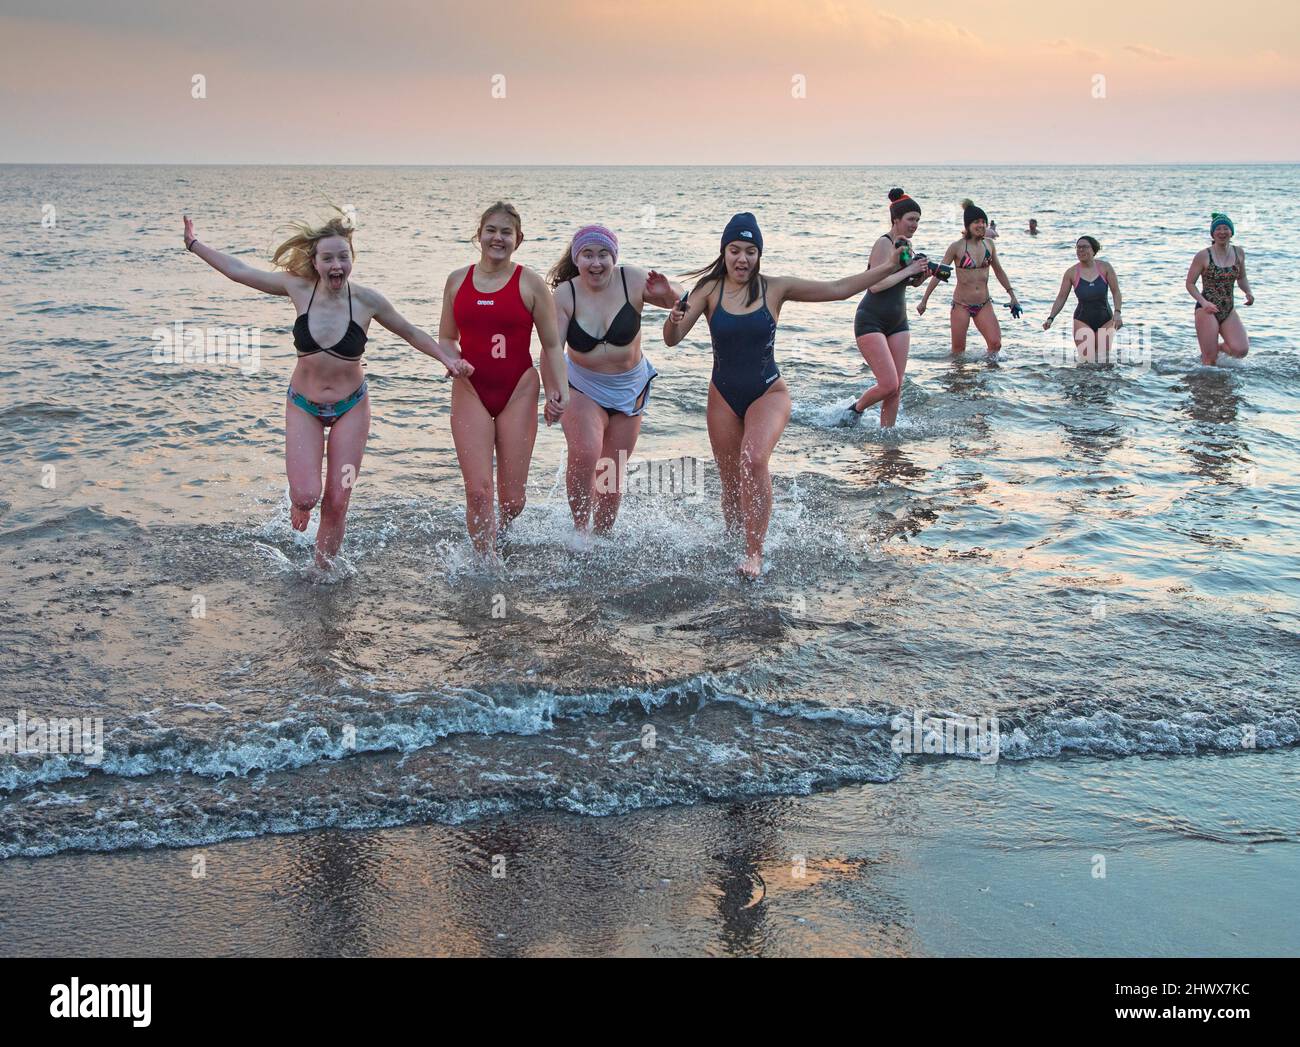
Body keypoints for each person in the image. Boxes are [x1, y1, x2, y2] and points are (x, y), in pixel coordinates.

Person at [182, 209, 470, 569]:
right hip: (304, 405)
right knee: (306, 495)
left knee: (337, 499)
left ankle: (323, 573)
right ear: (315, 263)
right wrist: (195, 245)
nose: (337, 263)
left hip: (352, 406)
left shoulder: (368, 301)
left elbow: (412, 333)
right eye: (328, 257)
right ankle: (299, 503)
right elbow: (240, 272)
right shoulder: (297, 288)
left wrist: (447, 359)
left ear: (352, 260)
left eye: (343, 256)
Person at [664, 212, 916, 578]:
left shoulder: (775, 288)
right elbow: (673, 340)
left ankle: (754, 554)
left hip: (768, 392)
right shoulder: (709, 290)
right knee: (732, 486)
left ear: (759, 254)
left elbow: (838, 288)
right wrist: (673, 317)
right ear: (724, 251)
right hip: (722, 396)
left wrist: (890, 266)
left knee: (753, 461)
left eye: (750, 251)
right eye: (735, 250)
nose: (742, 259)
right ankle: (735, 540)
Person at [437, 202, 566, 558]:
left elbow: (552, 344)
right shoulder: (456, 280)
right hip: (470, 390)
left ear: (518, 239)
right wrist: (452, 359)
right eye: (491, 230)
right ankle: (486, 566)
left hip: (519, 390)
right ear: (478, 236)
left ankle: (503, 530)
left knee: (512, 500)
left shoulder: (531, 283)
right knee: (478, 492)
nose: (498, 238)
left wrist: (560, 392)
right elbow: (446, 338)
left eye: (506, 232)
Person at [548, 225, 684, 535]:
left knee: (610, 474)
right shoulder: (565, 293)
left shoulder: (631, 279)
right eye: (588, 255)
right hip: (581, 385)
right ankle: (580, 533)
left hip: (629, 389)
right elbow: (552, 348)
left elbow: (681, 300)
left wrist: (669, 293)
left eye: (603, 255)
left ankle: (603, 537)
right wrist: (553, 392)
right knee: (585, 452)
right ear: (576, 258)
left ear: (614, 256)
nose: (596, 263)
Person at [845, 188, 933, 426]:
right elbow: (875, 285)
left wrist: (921, 277)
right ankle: (855, 410)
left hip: (898, 321)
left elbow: (905, 282)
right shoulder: (884, 244)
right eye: (911, 219)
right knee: (888, 384)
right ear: (896, 220)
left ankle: (888, 437)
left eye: (918, 220)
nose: (915, 225)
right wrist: (909, 270)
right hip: (871, 319)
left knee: (897, 387)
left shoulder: (907, 246)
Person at [918, 199, 1021, 355]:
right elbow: (939, 273)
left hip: (984, 304)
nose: (981, 225)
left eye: (983, 222)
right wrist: (924, 300)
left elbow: (999, 271)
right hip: (961, 305)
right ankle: (960, 379)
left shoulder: (989, 245)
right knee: (958, 351)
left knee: (996, 345)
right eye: (976, 222)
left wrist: (1013, 296)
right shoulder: (957, 247)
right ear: (967, 225)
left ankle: (990, 377)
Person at [1186, 213, 1253, 366]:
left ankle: (1215, 349)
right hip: (1207, 309)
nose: (1222, 232)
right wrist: (1203, 303)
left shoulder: (1239, 253)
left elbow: (1241, 277)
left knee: (1240, 350)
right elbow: (1190, 284)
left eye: (1226, 228)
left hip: (1228, 309)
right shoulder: (1203, 256)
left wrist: (1248, 292)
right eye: (1218, 229)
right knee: (1210, 361)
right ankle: (1207, 385)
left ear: (1232, 232)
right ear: (1213, 233)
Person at [1043, 236, 1123, 363]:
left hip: (1106, 319)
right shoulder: (1071, 272)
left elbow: (1116, 292)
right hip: (1082, 319)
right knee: (1087, 363)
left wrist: (1117, 313)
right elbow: (1061, 297)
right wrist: (1051, 317)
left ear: (1093, 250)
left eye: (1084, 247)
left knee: (1104, 362)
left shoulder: (1105, 267)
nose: (1080, 250)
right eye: (1078, 247)